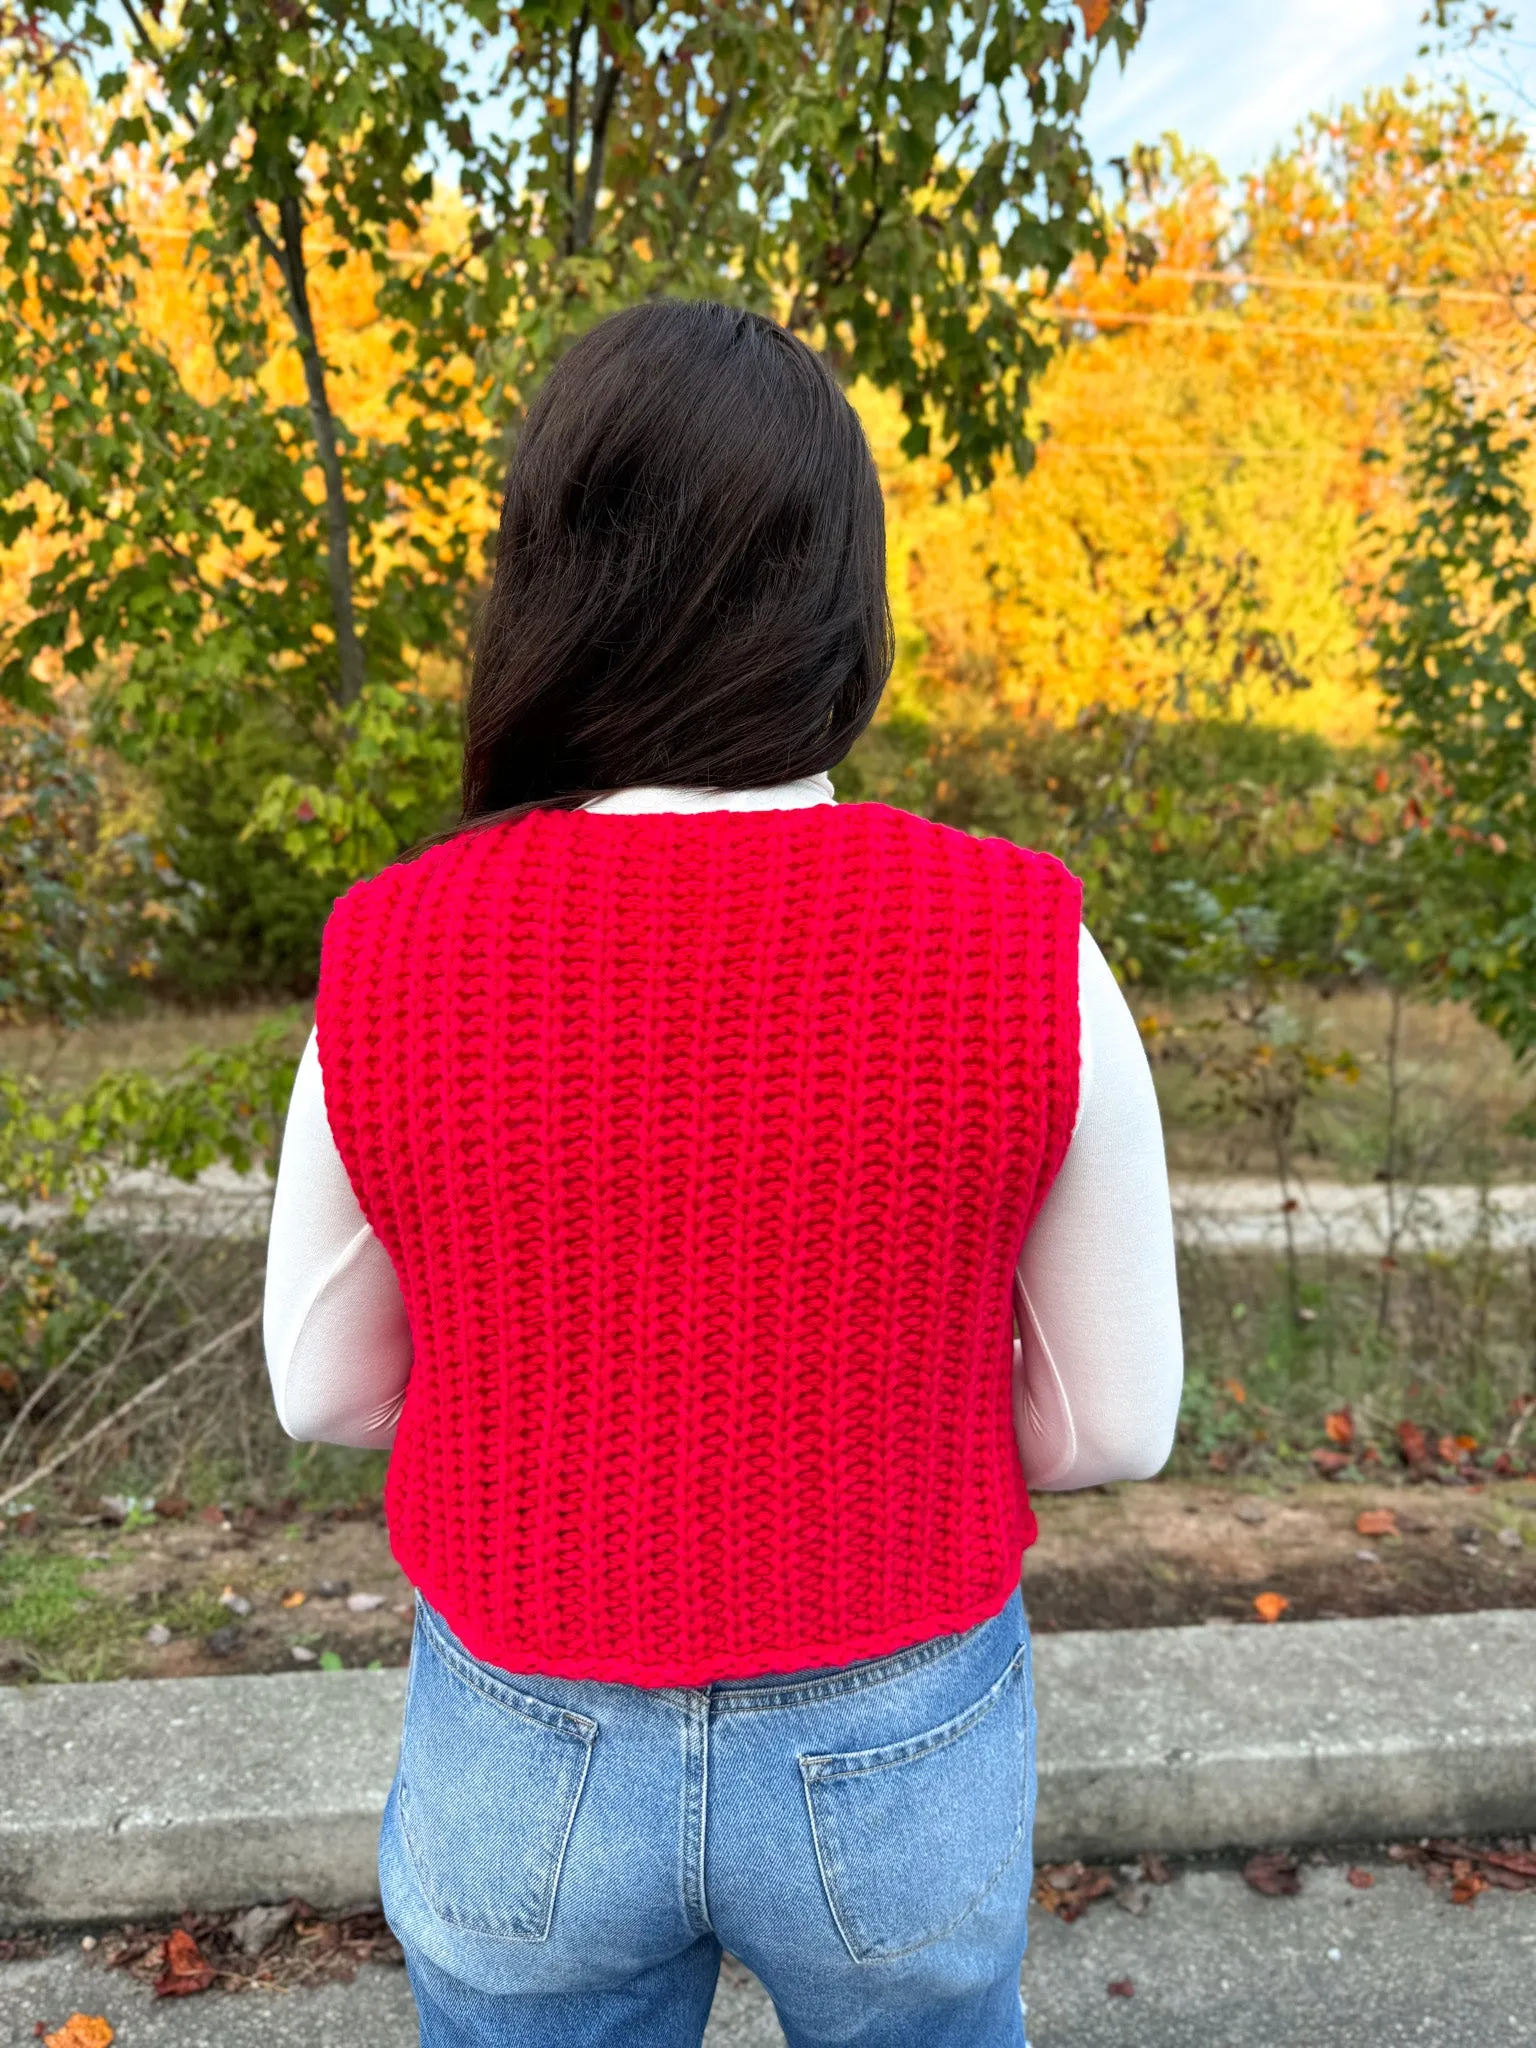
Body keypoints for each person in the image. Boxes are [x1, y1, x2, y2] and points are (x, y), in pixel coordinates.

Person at [262, 298, 1183, 2048]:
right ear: (847, 589)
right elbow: (1113, 1430)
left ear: (545, 581)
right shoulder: (1024, 943)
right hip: (897, 1736)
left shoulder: (393, 950)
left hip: (527, 1742)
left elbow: (319, 1390)